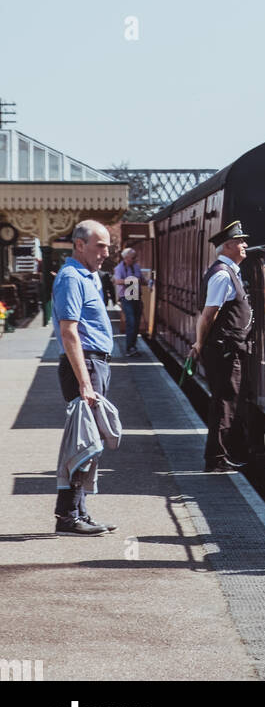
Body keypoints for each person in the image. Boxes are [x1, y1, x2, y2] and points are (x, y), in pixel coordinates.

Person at [51, 220, 119, 535]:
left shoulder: (85, 276)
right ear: (80, 245)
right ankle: (68, 517)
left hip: (94, 364)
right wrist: (85, 381)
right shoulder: (71, 278)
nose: (106, 252)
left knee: (89, 440)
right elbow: (69, 332)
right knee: (85, 439)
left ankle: (77, 511)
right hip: (86, 365)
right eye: (100, 245)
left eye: (107, 245)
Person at [190, 221, 253, 473]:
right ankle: (216, 458)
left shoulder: (229, 272)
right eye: (240, 241)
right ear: (228, 245)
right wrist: (199, 343)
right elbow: (208, 314)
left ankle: (220, 454)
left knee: (227, 400)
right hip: (223, 348)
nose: (245, 244)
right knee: (224, 402)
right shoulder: (221, 275)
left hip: (228, 347)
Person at [114, 246, 145, 356]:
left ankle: (133, 346)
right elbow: (117, 281)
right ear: (126, 258)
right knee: (130, 322)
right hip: (126, 298)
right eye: (133, 257)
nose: (135, 259)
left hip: (136, 297)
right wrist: (132, 281)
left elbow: (142, 279)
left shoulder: (136, 267)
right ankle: (129, 348)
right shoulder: (119, 268)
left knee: (136, 323)